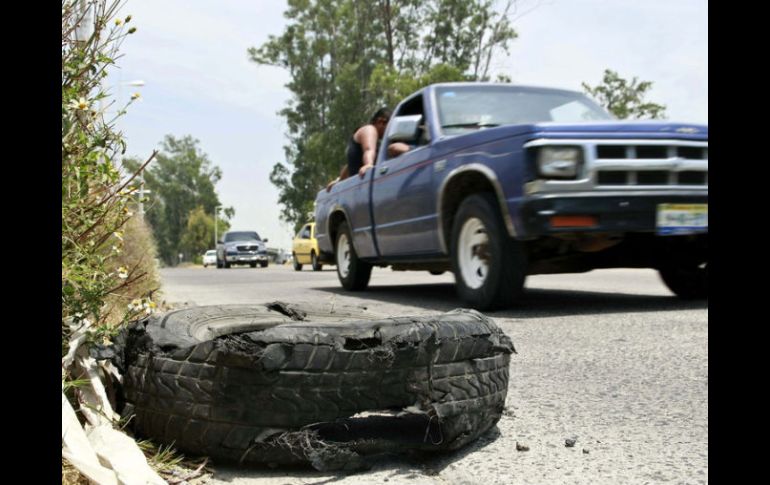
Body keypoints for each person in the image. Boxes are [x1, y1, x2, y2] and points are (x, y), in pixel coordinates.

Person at [327, 108, 410, 191]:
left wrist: (339, 181)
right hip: (361, 185)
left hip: (359, 188)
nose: (390, 132)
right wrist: (368, 164)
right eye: (390, 126)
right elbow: (368, 150)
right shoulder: (369, 129)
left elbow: (350, 165)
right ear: (380, 121)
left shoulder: (377, 143)